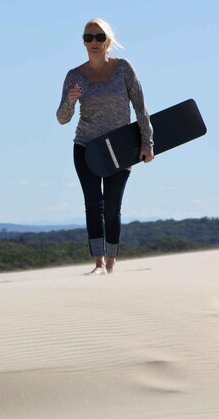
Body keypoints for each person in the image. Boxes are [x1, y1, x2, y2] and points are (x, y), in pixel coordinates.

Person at [56, 19, 154, 275]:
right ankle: (98, 263)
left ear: (108, 41)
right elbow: (62, 118)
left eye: (99, 37)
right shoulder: (75, 76)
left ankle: (111, 263)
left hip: (120, 148)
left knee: (112, 206)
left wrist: (147, 142)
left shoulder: (123, 69)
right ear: (83, 42)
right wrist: (69, 101)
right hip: (86, 147)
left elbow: (140, 108)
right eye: (88, 38)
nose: (94, 42)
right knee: (93, 204)